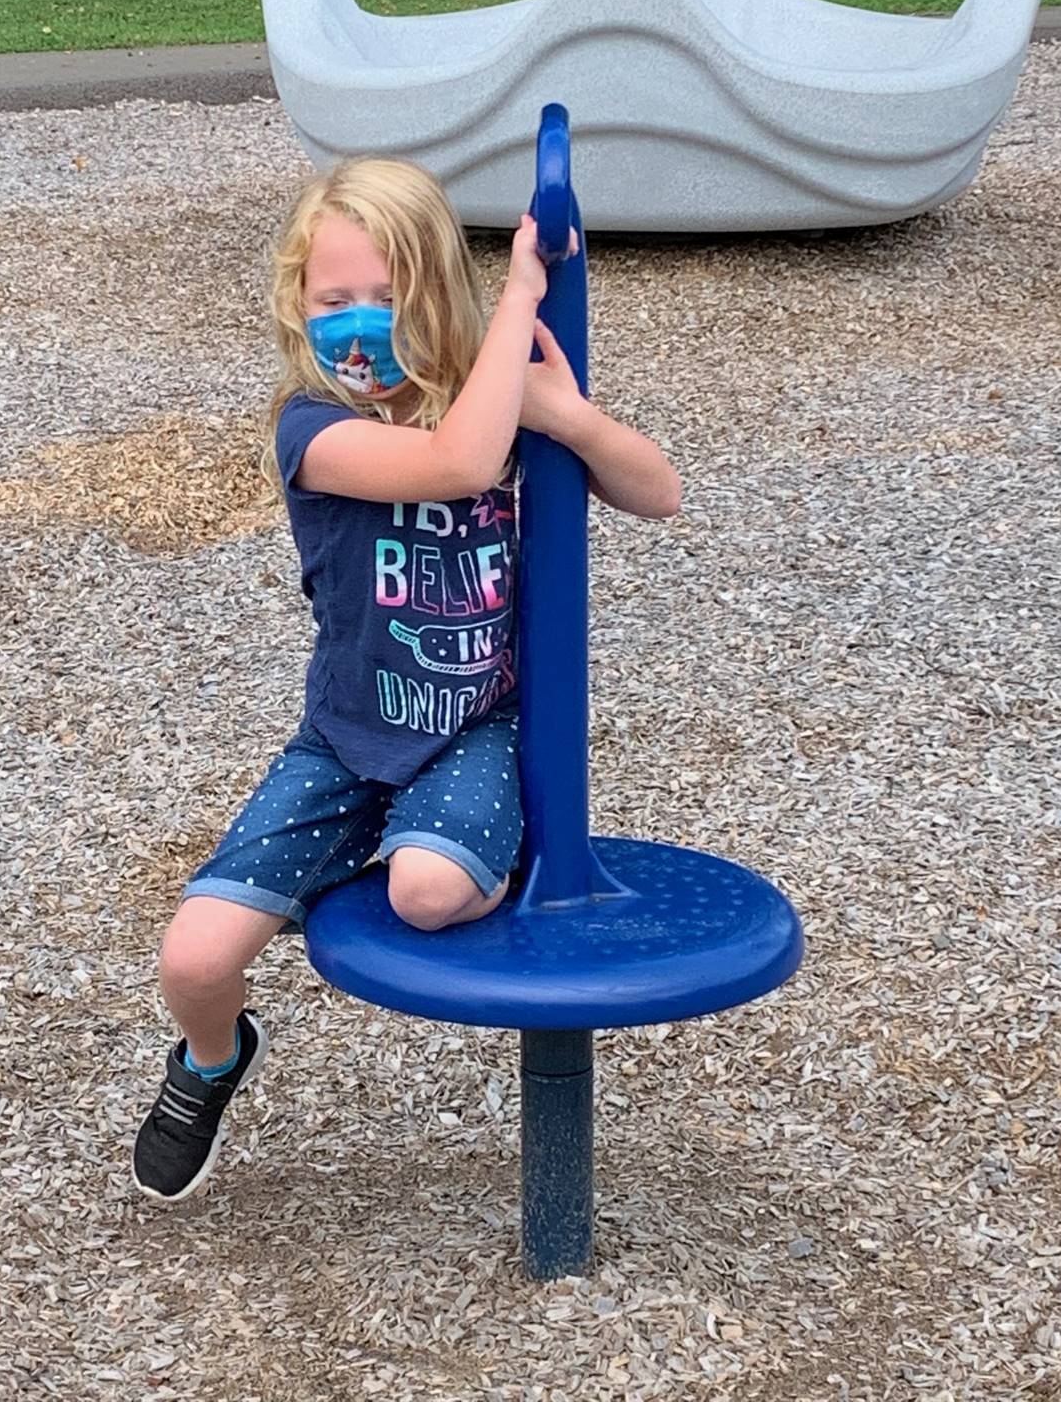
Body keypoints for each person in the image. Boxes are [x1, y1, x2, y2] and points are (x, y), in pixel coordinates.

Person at [131, 157, 681, 1203]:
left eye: (388, 298)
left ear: (436, 297)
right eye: (334, 300)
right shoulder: (311, 428)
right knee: (194, 962)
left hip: (476, 728)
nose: (360, 324)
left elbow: (658, 493)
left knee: (429, 895)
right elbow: (458, 467)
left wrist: (562, 416)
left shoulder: (491, 402)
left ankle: (422, 839)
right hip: (344, 741)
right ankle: (212, 1061)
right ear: (297, 301)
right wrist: (524, 296)